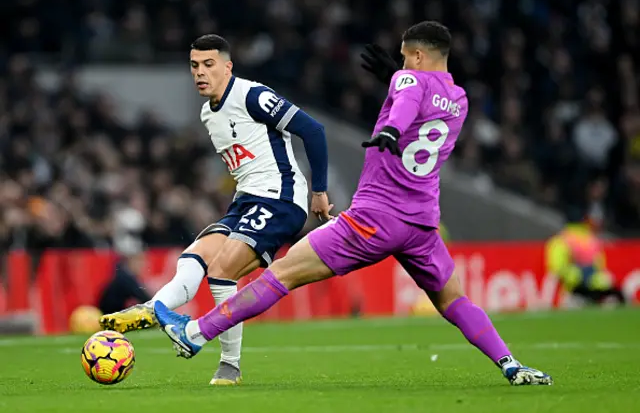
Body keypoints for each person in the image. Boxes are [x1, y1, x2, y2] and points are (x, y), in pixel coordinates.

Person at [154, 21, 552, 386]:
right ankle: (511, 364)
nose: (400, 63)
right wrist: (395, 81)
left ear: (415, 56)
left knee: (284, 273)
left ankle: (194, 332)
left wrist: (392, 127)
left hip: (374, 217)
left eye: (403, 56)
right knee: (454, 301)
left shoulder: (409, 82)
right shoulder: (459, 99)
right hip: (422, 225)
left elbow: (408, 103)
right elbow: (420, 98)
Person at [100, 34, 331, 385]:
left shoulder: (252, 95)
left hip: (281, 199)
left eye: (208, 65)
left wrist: (319, 191)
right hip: (246, 200)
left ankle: (228, 365)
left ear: (228, 66)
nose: (200, 73)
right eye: (194, 66)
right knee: (194, 256)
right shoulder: (209, 113)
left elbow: (313, 130)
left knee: (223, 270)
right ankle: (155, 309)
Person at [546, 207, 626, 306]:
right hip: (595, 282)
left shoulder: (560, 240)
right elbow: (600, 262)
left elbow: (556, 267)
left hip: (574, 285)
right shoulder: (591, 238)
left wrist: (572, 274)